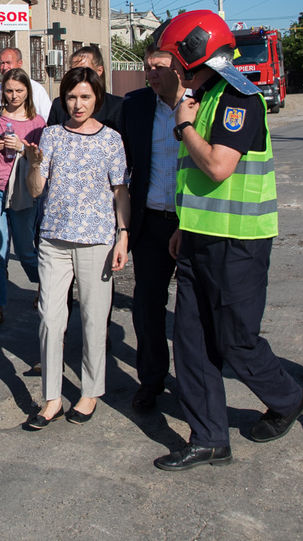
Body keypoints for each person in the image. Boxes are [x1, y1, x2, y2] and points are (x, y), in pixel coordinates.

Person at [153, 10, 303, 472]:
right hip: (200, 237)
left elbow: (219, 167)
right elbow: (194, 180)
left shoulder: (241, 97)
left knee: (237, 341)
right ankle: (209, 438)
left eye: (175, 56)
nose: (171, 67)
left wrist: (184, 127)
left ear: (192, 52)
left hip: (239, 241)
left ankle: (288, 398)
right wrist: (184, 225)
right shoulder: (201, 96)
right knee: (191, 342)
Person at [22, 67, 129, 429]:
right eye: (71, 97)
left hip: (97, 239)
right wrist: (34, 166)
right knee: (50, 319)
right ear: (62, 98)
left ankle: (89, 392)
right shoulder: (50, 135)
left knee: (93, 319)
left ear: (96, 96)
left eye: (85, 96)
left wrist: (123, 234)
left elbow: (120, 191)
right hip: (53, 239)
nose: (78, 104)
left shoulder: (111, 139)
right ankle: (51, 398)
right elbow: (37, 190)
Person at [119, 46, 189, 413]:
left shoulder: (198, 105)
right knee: (147, 307)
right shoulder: (136, 106)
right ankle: (151, 381)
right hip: (150, 223)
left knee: (194, 312)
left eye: (159, 67)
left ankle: (195, 385)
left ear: (177, 67)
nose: (151, 73)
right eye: (147, 68)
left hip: (192, 224)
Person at [0, 67, 44, 331]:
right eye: (9, 91)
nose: (14, 96)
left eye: (19, 90)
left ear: (27, 91)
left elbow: (42, 161)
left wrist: (23, 149)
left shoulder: (37, 122)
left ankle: (45, 286)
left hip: (22, 192)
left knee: (26, 251)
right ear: (2, 92)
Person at [46, 45, 123, 129]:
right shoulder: (59, 105)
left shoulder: (117, 106)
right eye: (73, 70)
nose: (78, 105)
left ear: (99, 71)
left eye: (84, 69)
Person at [0, 46, 52, 115]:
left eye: (8, 63)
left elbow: (47, 118)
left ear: (19, 63)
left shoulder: (37, 90)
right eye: (2, 63)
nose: (5, 67)